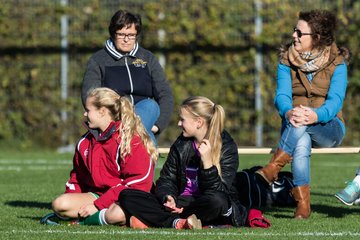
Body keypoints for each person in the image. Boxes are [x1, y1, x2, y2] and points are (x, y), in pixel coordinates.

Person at [255, 10, 350, 219]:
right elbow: (281, 96)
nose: (294, 35)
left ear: (316, 38)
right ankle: (303, 205)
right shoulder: (286, 60)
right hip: (294, 123)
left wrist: (315, 115)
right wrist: (288, 112)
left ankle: (274, 167)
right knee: (302, 139)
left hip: (329, 125)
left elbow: (335, 102)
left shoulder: (338, 63)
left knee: (302, 125)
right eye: (294, 30)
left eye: (299, 32)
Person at [105, 96, 247, 229]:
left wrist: (208, 164)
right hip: (180, 204)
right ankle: (178, 222)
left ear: (199, 122)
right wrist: (168, 197)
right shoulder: (181, 144)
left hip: (205, 204)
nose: (179, 123)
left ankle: (162, 220)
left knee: (218, 201)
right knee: (127, 195)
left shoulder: (227, 147)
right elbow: (167, 179)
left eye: (182, 120)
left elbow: (219, 192)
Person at [40, 87, 157, 225]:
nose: (84, 114)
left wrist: (97, 206)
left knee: (116, 214)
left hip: (128, 197)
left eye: (88, 110)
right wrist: (71, 197)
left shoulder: (131, 139)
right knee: (60, 204)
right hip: (98, 196)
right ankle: (104, 218)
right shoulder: (84, 142)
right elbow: (77, 177)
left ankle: (83, 221)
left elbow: (138, 183)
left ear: (102, 112)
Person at [81, 9, 174, 144]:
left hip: (145, 119)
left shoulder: (147, 58)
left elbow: (165, 94)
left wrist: (157, 126)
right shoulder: (98, 60)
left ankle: (136, 135)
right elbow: (90, 95)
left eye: (131, 35)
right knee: (144, 135)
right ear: (113, 34)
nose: (126, 39)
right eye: (121, 34)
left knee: (150, 105)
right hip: (114, 120)